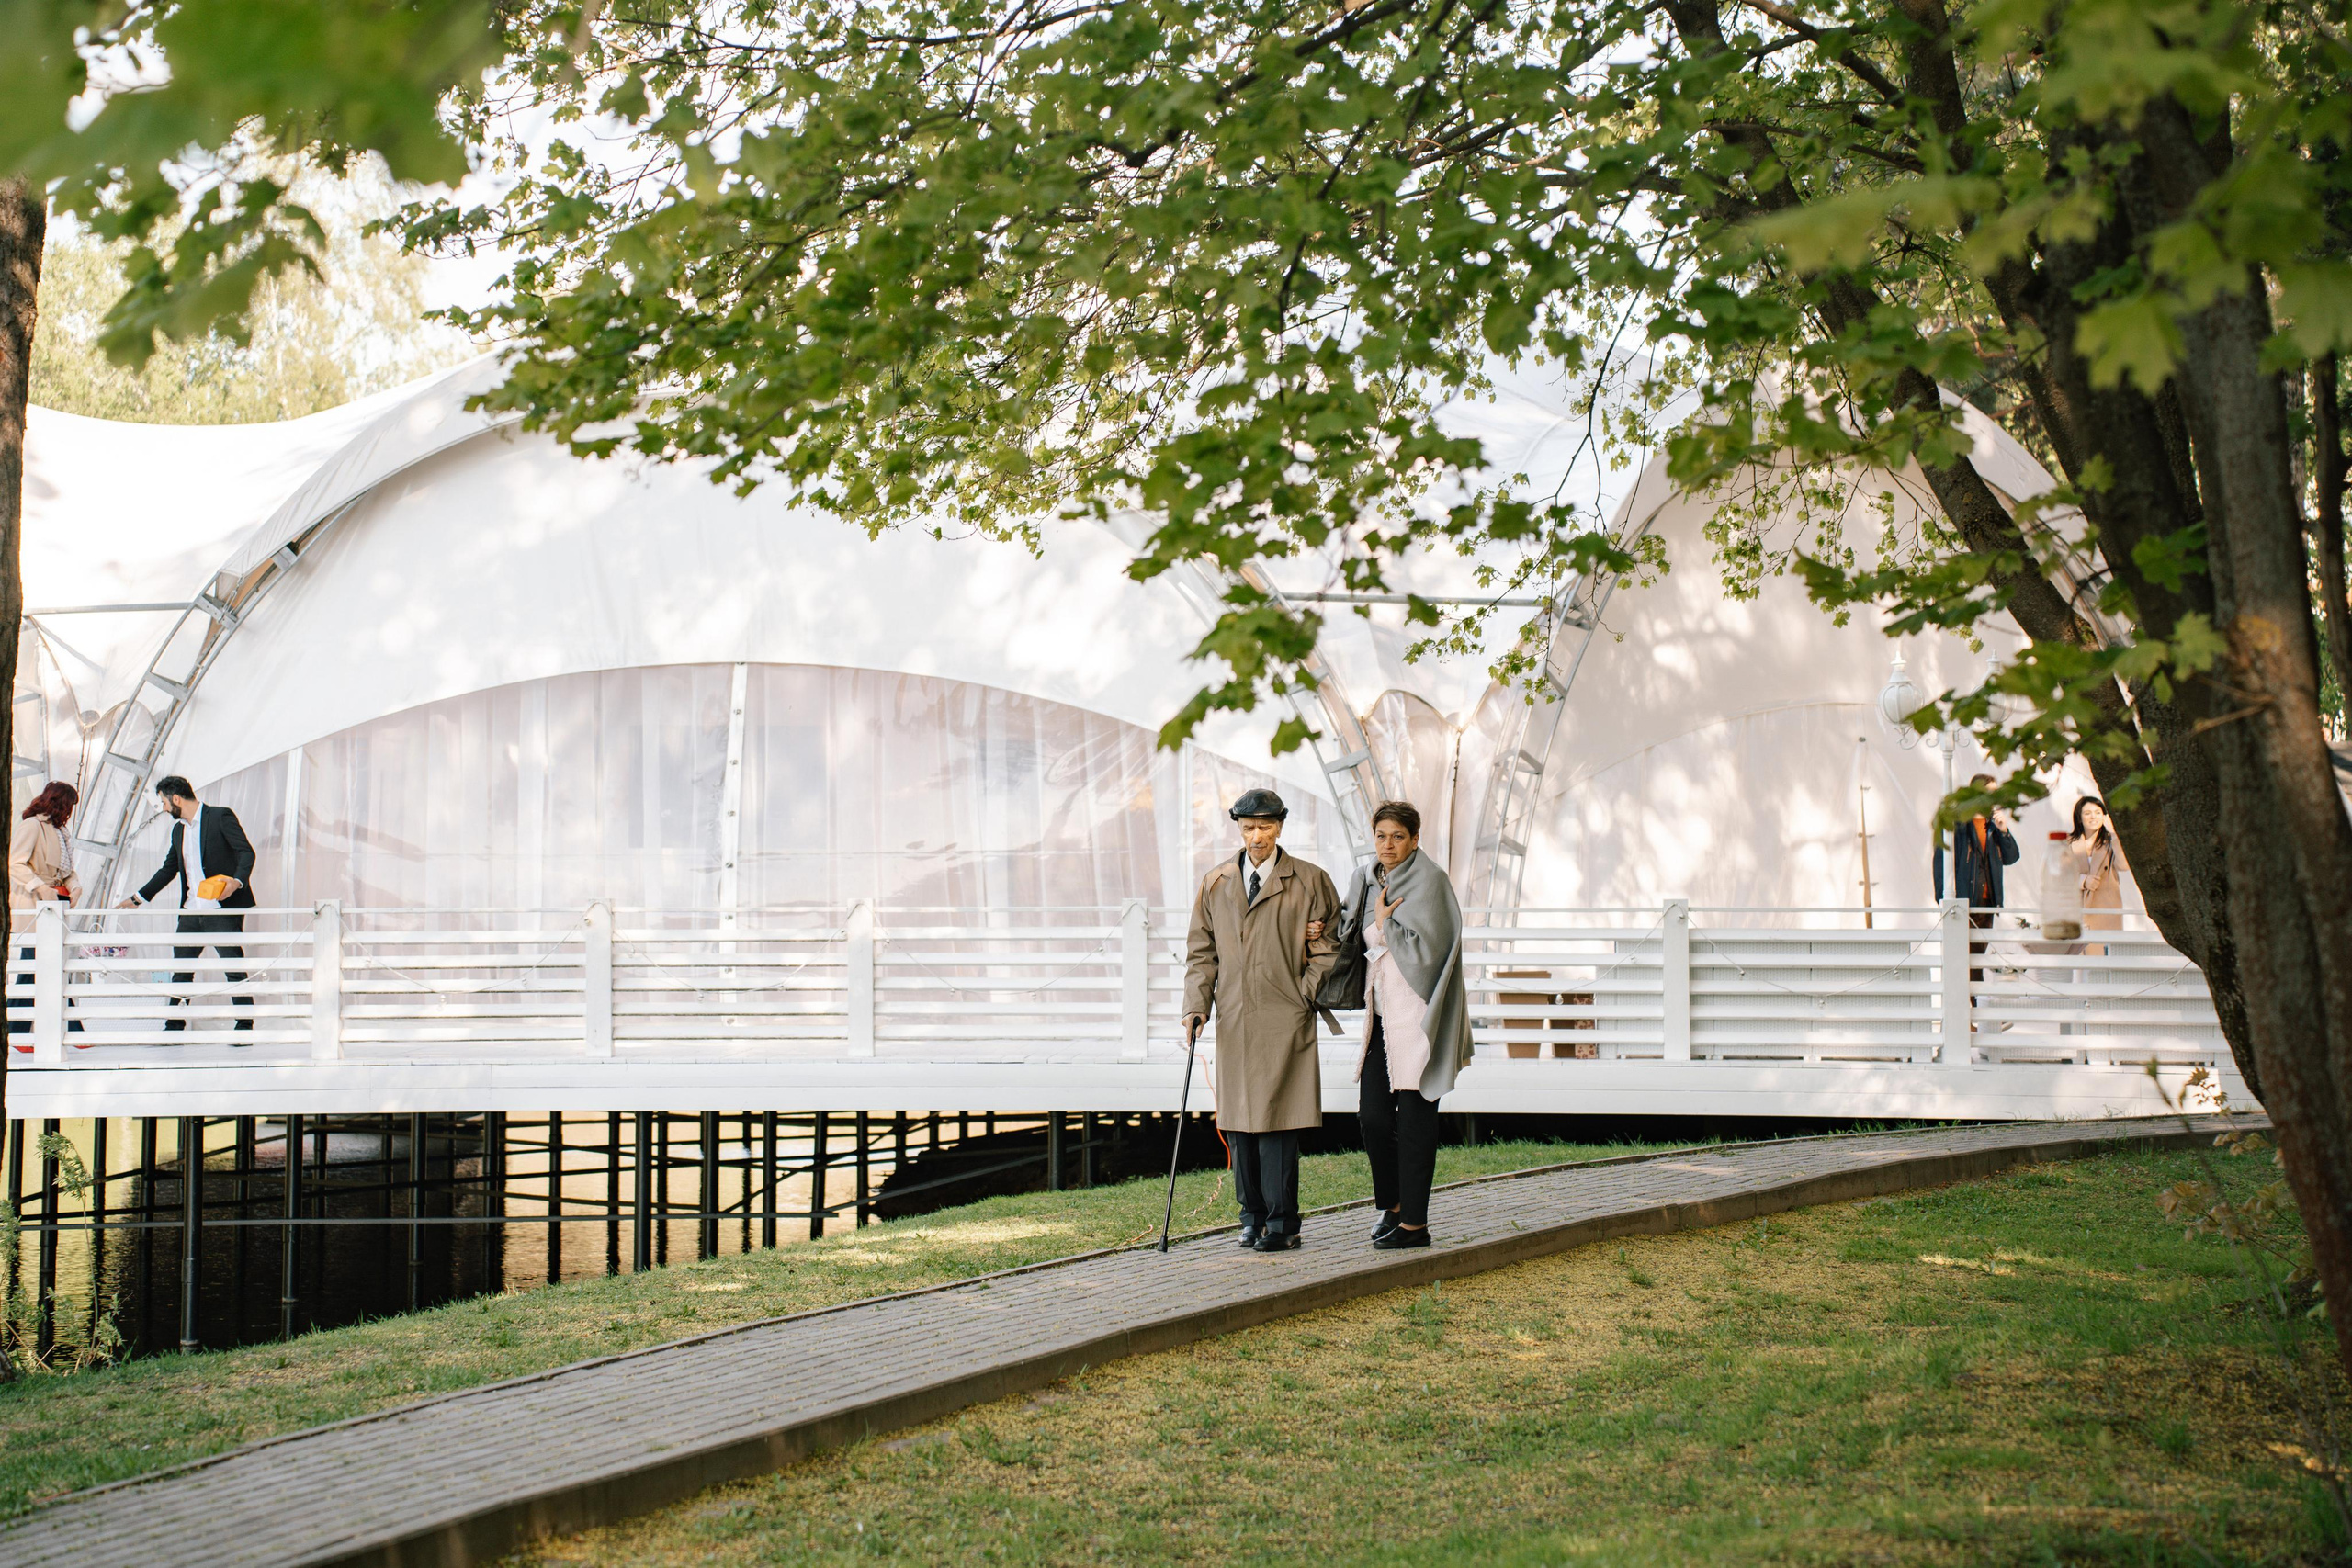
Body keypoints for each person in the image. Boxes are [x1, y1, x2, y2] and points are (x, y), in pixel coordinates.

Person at [1182, 787, 1341, 1253]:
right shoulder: (1216, 882)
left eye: (1266, 827)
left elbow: (1330, 946)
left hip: (1284, 1017)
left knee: (1278, 1122)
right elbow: (1201, 952)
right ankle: (1249, 1218)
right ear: (1238, 828)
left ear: (1281, 826)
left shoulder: (1310, 880)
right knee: (1239, 1123)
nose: (1257, 836)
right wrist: (1196, 1006)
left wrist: (1302, 995)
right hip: (1233, 1016)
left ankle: (1282, 1223)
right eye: (1249, 827)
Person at [1340, 800, 1470, 1251]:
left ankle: (1415, 1225)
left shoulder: (1430, 880)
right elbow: (1349, 928)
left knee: (1415, 1119)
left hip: (1417, 1014)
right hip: (1380, 1016)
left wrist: (1385, 924)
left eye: (1398, 836)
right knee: (1373, 1118)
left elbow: (1432, 951)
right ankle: (1392, 1207)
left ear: (1415, 839)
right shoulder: (1366, 878)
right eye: (1381, 836)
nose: (1388, 845)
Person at [118, 775, 257, 1037]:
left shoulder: (220, 816)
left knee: (233, 968)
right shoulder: (178, 830)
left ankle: (245, 1026)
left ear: (176, 798)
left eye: (163, 802)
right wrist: (138, 898)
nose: (164, 808)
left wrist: (236, 882)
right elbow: (169, 869)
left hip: (220, 909)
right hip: (191, 911)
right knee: (181, 971)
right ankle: (174, 1026)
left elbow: (246, 852)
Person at [9, 783, 83, 1043]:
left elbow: (66, 871)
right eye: (69, 805)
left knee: (40, 969)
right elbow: (14, 863)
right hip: (34, 907)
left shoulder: (60, 831)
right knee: (41, 967)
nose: (70, 812)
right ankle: (74, 1030)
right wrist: (40, 887)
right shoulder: (32, 826)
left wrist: (75, 887)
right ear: (58, 802)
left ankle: (15, 1034)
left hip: (54, 906)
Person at [1932, 773, 2019, 989]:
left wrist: (2004, 831)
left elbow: (2011, 858)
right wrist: (1943, 898)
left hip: (1987, 903)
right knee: (1962, 958)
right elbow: (1941, 862)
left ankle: (1975, 1009)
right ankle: (1970, 1010)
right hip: (1963, 902)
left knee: (1978, 959)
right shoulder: (1958, 824)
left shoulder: (1993, 826)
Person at [2068, 795, 2127, 956]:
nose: (2093, 816)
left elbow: (2124, 866)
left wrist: (2117, 839)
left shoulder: (2111, 842)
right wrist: (2083, 881)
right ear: (2079, 817)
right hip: (2076, 908)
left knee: (2105, 958)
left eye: (2098, 812)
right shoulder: (2067, 842)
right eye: (2087, 813)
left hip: (2106, 908)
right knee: (2079, 960)